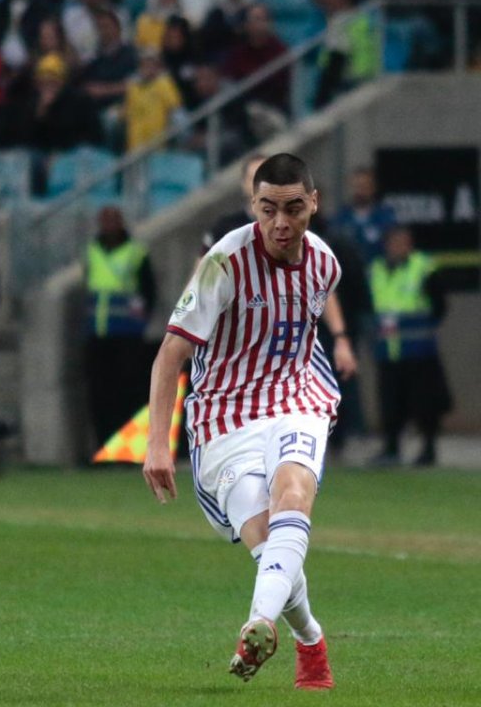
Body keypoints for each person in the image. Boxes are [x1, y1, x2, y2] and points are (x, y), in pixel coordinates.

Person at [143, 152, 357, 691]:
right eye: (267, 210)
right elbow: (170, 354)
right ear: (253, 207)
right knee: (267, 545)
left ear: (314, 203)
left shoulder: (325, 263)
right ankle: (310, 641)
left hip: (296, 399)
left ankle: (258, 625)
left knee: (293, 490)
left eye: (292, 208)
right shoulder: (222, 262)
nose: (280, 223)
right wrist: (157, 446)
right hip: (224, 415)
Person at [368, 226, 451, 466]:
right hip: (388, 349)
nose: (399, 248)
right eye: (394, 243)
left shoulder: (423, 267)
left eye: (404, 243)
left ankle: (428, 448)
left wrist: (421, 324)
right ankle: (391, 447)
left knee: (424, 402)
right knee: (390, 401)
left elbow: (439, 305)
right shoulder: (376, 269)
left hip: (418, 349)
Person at [83, 206, 157, 444]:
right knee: (99, 393)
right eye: (105, 220)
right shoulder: (92, 251)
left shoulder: (136, 253)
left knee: (129, 392)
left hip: (128, 334)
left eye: (113, 220)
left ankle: (129, 449)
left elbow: (149, 291)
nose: (109, 225)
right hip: (98, 332)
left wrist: (141, 320)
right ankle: (102, 446)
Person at [332, 165, 396, 262]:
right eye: (357, 186)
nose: (360, 191)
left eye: (364, 186)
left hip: (377, 273)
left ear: (373, 187)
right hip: (348, 274)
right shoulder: (341, 217)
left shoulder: (386, 217)